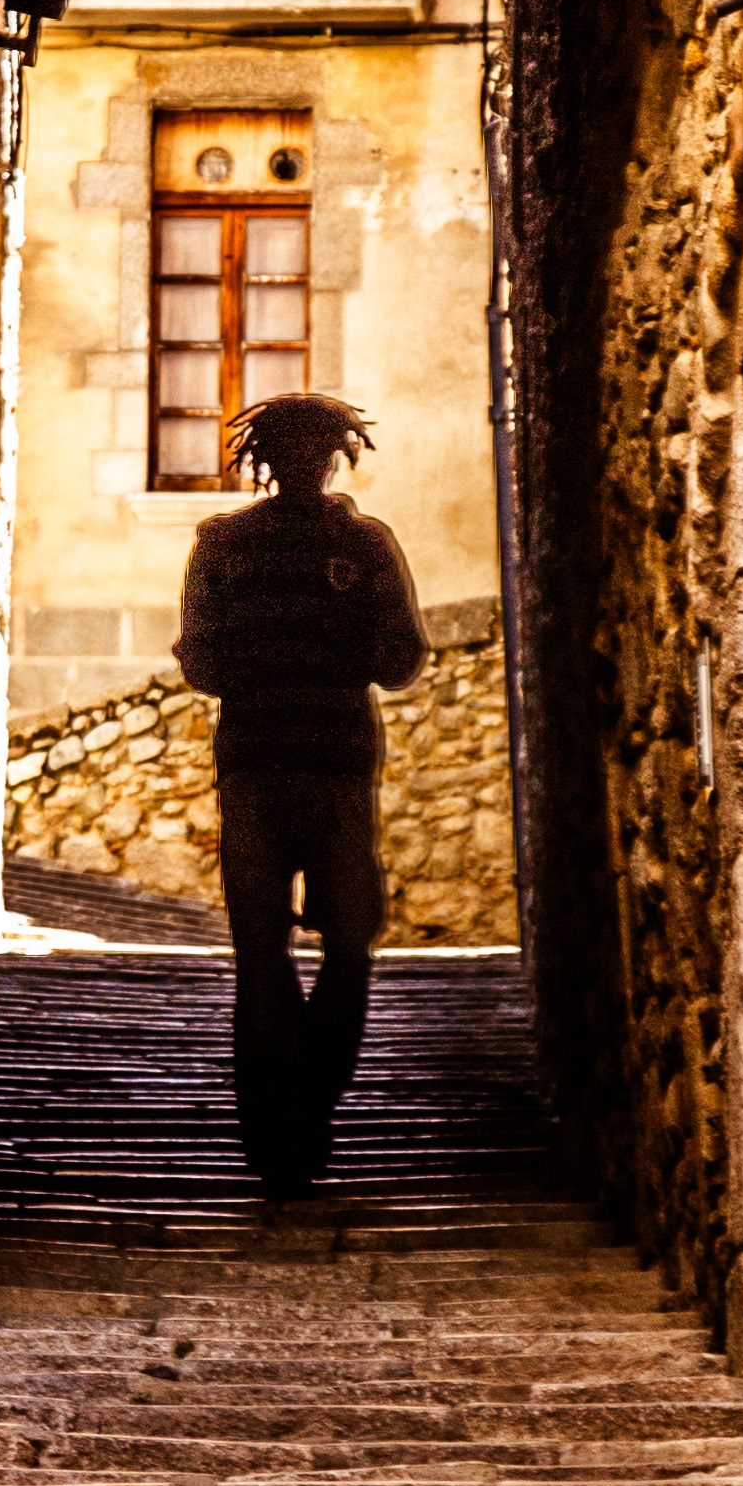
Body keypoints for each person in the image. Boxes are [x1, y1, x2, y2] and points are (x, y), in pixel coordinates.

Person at [174, 390, 429, 1196]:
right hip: (334, 768)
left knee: (263, 951)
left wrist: (259, 665)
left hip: (256, 766)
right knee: (348, 943)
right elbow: (401, 659)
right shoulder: (364, 544)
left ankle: (278, 1125)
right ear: (332, 458)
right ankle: (307, 1105)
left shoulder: (222, 545)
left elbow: (200, 661)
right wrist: (339, 643)